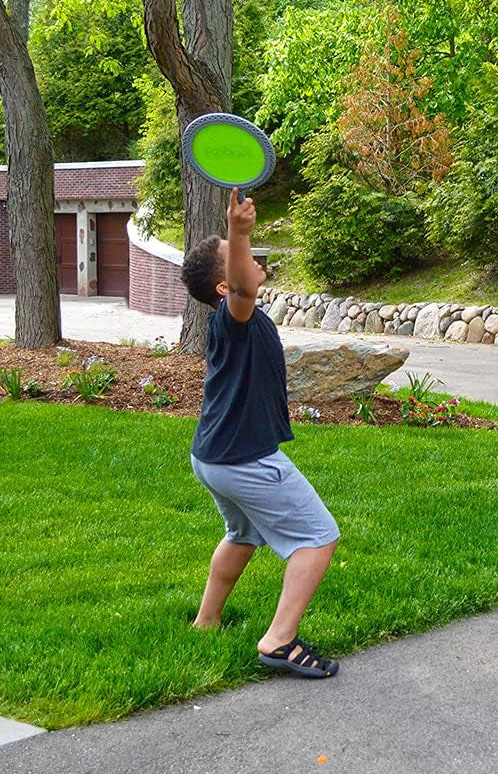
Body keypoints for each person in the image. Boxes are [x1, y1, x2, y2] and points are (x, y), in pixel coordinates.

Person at [180, 187, 340, 678]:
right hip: (244, 459)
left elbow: (246, 284)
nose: (249, 258)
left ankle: (206, 622)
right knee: (318, 537)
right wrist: (238, 231)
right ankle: (278, 641)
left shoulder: (235, 321)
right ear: (225, 289)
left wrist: (240, 240)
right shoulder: (235, 317)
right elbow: (246, 290)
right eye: (237, 259)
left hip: (212, 456)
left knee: (242, 534)